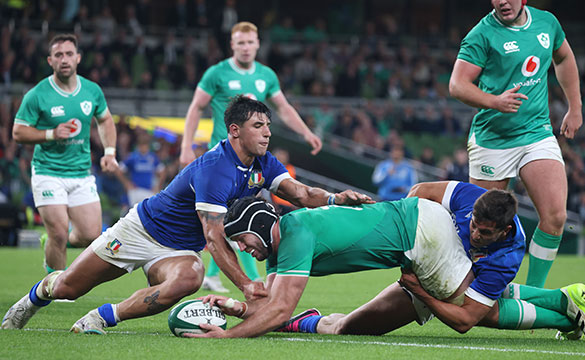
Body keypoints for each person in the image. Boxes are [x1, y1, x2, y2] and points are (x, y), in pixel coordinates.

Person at [1, 97, 372, 334]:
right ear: (235, 130)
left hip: (178, 250)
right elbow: (213, 237)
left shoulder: (262, 162)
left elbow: (301, 193)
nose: (267, 133)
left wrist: (336, 199)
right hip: (141, 230)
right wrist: (245, 284)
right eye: (259, 126)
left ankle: (101, 317)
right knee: (68, 287)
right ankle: (34, 297)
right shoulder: (216, 168)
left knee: (190, 277)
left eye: (268, 126)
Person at [182, 181, 585, 341]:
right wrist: (238, 309)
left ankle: (567, 316)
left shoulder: (295, 235)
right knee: (353, 328)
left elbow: (277, 308)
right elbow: (269, 306)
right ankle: (562, 299)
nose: (240, 249)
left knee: (476, 313)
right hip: (419, 233)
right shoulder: (282, 248)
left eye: (241, 239)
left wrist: (228, 338)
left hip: (423, 238)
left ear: (260, 222)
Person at [179, 21, 323, 292]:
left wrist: (306, 132)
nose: (245, 48)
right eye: (240, 43)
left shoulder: (266, 75)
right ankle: (247, 278)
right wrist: (186, 145)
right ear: (232, 45)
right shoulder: (216, 73)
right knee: (231, 218)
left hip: (250, 161)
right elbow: (196, 107)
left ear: (258, 44)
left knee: (239, 218)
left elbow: (283, 107)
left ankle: (217, 274)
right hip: (221, 158)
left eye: (250, 42)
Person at [448, 0, 582, 287]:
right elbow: (457, 85)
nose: (501, 2)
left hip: (536, 133)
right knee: (480, 227)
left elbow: (564, 58)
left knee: (556, 216)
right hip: (492, 141)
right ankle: (469, 288)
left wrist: (575, 107)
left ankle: (533, 292)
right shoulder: (481, 35)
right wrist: (495, 101)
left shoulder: (547, 23)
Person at [11, 34, 118, 273]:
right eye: (58, 55)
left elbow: (105, 120)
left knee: (91, 235)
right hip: (48, 170)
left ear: (78, 58)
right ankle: (54, 288)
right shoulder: (38, 94)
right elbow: (18, 132)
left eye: (69, 54)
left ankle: (52, 242)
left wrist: (109, 152)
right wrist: (50, 134)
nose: (64, 59)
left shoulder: (91, 90)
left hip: (80, 172)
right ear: (50, 61)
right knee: (58, 232)